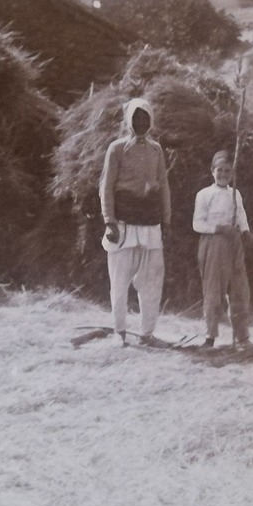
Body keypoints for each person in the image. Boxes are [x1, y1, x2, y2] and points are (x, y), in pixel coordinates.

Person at [99, 97, 171, 345]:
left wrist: (166, 219)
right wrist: (109, 221)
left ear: (151, 121)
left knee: (151, 281)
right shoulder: (117, 148)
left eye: (145, 118)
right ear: (129, 120)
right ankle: (119, 333)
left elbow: (163, 186)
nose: (141, 122)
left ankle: (147, 334)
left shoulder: (156, 150)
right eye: (136, 117)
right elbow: (106, 186)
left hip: (150, 223)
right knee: (119, 282)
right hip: (123, 223)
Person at [192, 149, 251, 348]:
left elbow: (241, 215)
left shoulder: (236, 194)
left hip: (234, 243)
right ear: (212, 171)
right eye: (220, 170)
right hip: (213, 244)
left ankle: (242, 336)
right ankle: (210, 336)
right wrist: (219, 229)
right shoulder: (204, 195)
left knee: (239, 289)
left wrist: (245, 231)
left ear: (232, 173)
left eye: (227, 171)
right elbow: (197, 224)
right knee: (213, 290)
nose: (223, 175)